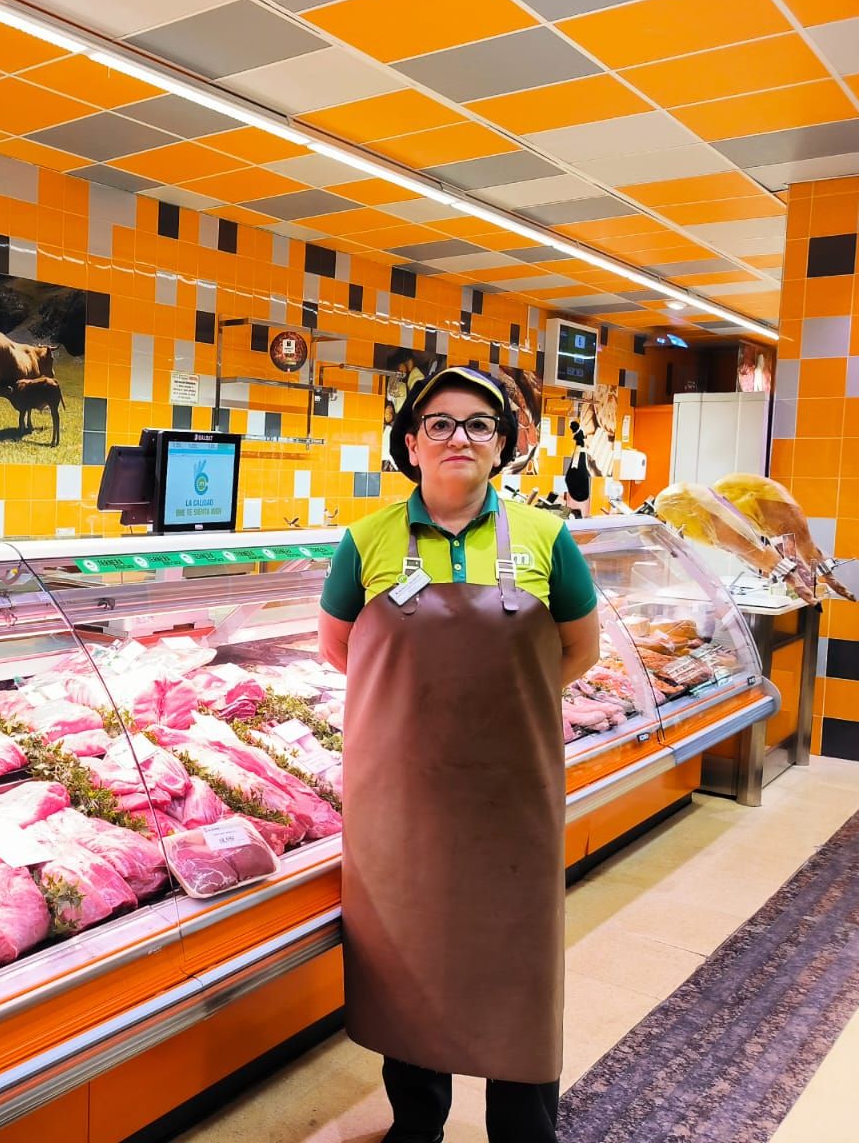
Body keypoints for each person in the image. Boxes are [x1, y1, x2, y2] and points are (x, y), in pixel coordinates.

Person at [317, 367, 602, 1143]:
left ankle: (523, 1130)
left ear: (502, 445)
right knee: (411, 960)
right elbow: (341, 649)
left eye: (479, 425)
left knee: (519, 967)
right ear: (411, 444)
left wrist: (499, 705)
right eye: (439, 424)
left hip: (513, 796)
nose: (459, 438)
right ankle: (418, 1125)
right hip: (402, 799)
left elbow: (579, 649)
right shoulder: (366, 539)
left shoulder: (546, 537)